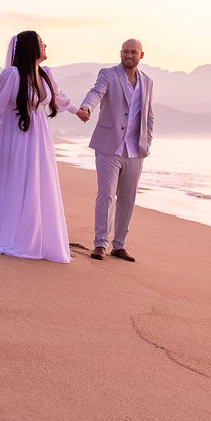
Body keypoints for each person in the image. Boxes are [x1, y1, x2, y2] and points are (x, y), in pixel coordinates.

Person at [0, 30, 86, 263]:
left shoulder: (46, 73)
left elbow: (60, 99)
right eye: (41, 42)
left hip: (42, 141)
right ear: (31, 47)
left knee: (41, 185)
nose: (45, 45)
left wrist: (78, 111)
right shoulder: (11, 75)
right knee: (20, 184)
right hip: (18, 140)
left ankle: (41, 240)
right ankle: (17, 238)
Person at [76, 39, 154, 262]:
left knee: (127, 198)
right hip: (108, 146)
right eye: (125, 52)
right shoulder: (108, 74)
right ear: (121, 53)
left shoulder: (148, 82)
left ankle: (119, 245)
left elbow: (148, 116)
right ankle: (100, 243)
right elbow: (96, 92)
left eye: (133, 52)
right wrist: (86, 107)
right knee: (106, 194)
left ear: (141, 55)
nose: (129, 55)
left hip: (134, 150)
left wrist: (146, 144)